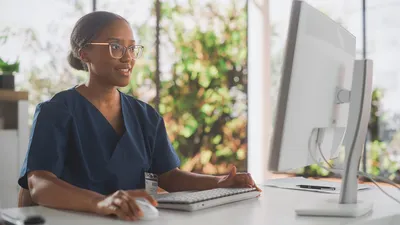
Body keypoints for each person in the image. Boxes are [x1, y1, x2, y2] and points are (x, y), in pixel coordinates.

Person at [18, 11, 260, 221]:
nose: (128, 57)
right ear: (85, 55)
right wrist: (101, 203)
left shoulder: (145, 116)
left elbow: (170, 176)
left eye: (132, 48)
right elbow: (40, 184)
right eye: (116, 47)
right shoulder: (56, 111)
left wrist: (219, 183)